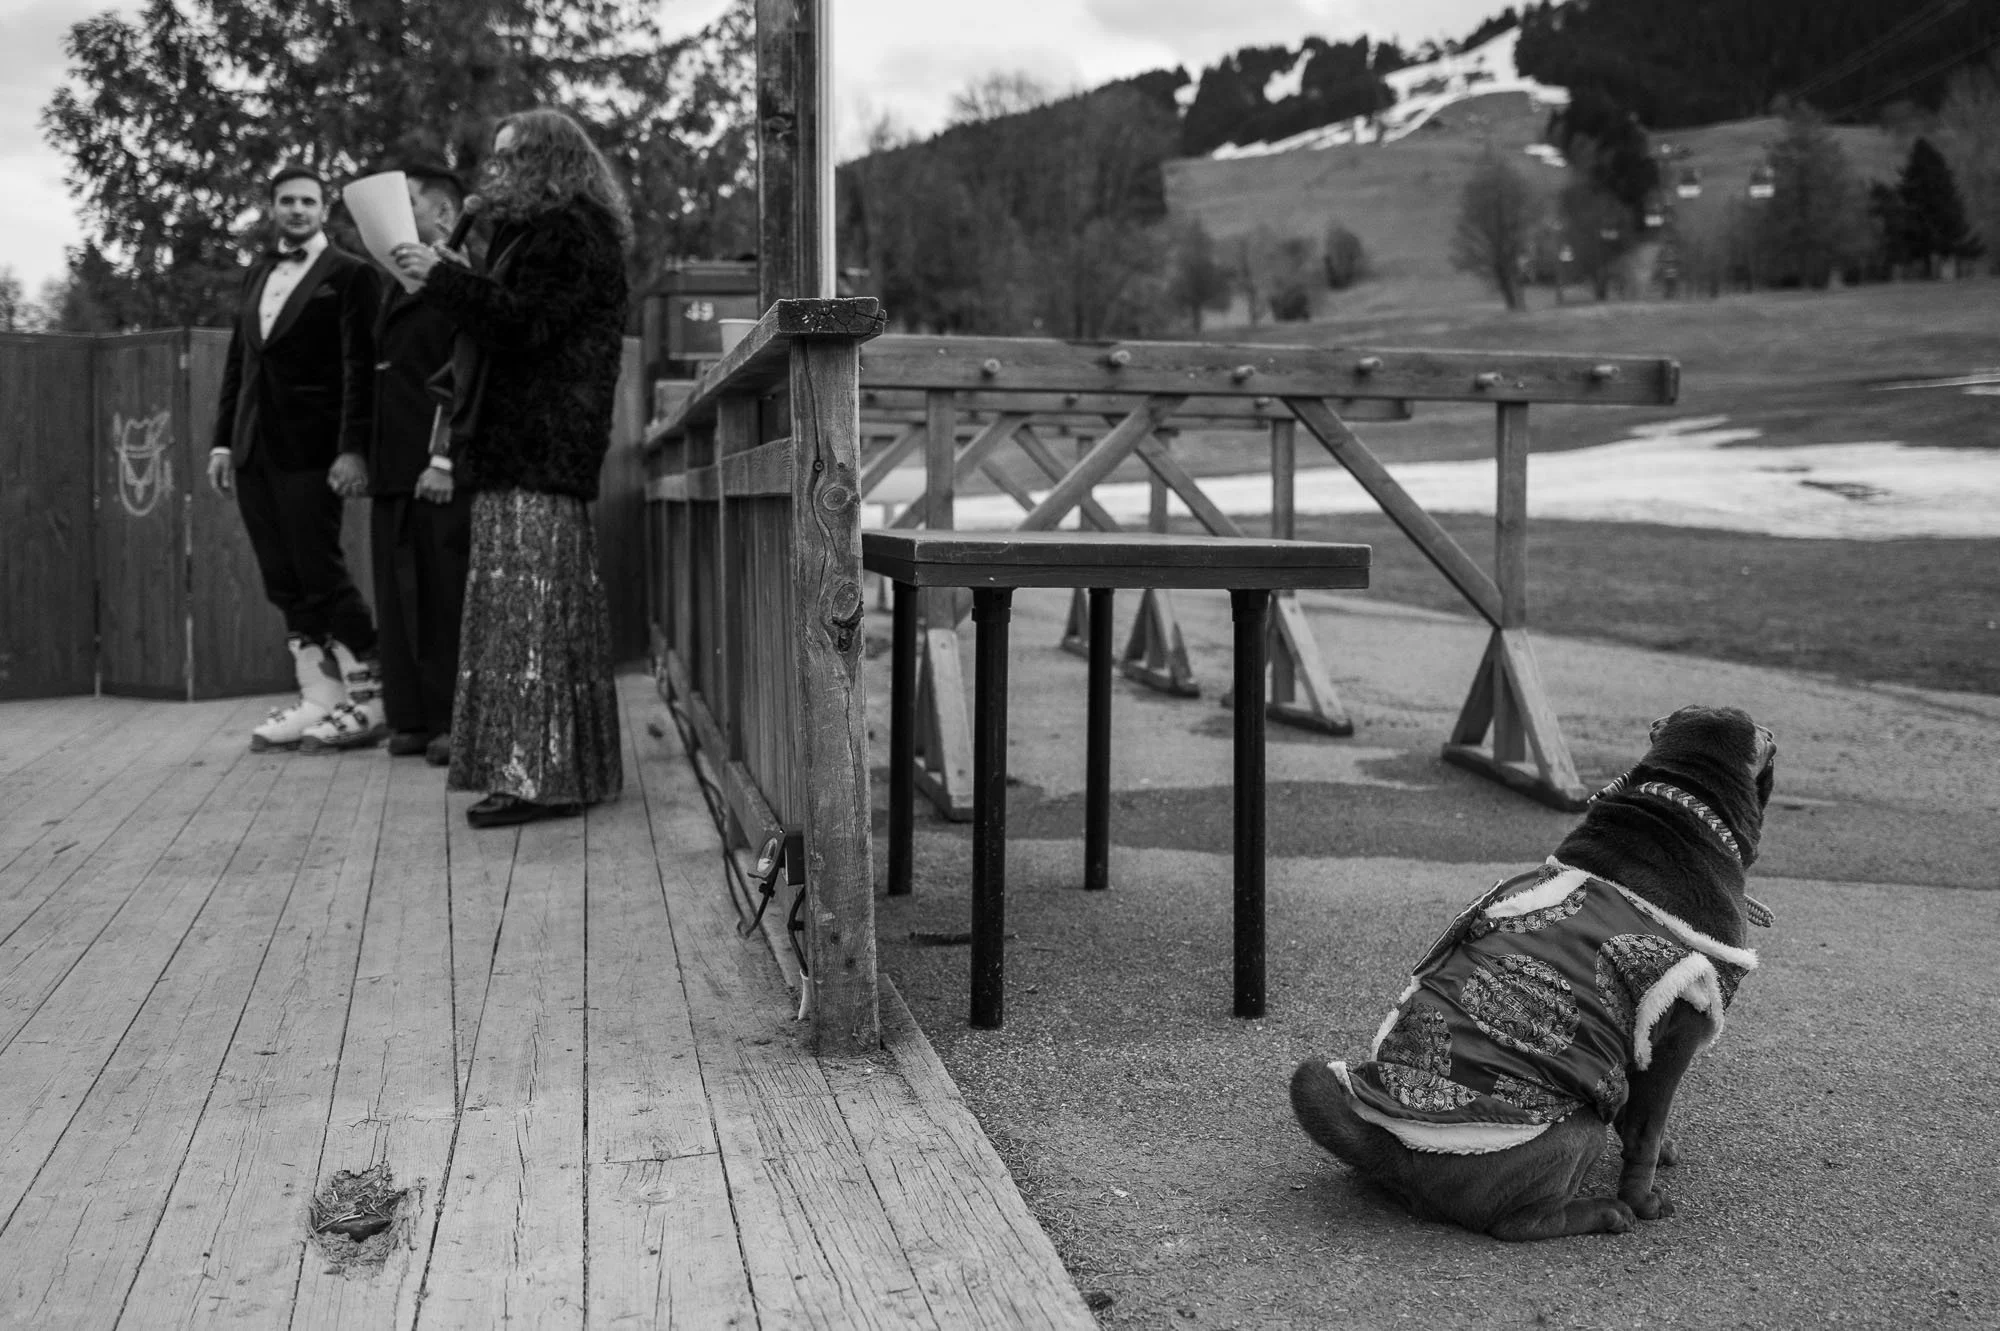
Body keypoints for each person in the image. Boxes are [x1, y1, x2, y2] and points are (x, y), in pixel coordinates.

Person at [391, 109, 627, 828]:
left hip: (537, 446)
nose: (494, 174)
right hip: (534, 448)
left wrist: (446, 281)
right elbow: (516, 315)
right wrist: (460, 276)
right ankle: (567, 771)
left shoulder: (569, 231)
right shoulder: (551, 229)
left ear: (548, 160)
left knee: (525, 620)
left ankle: (535, 778)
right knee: (545, 617)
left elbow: (526, 326)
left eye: (508, 158)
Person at [209, 164, 386, 753]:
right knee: (281, 577)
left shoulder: (351, 276)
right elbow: (241, 362)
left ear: (324, 209)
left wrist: (353, 448)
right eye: (287, 201)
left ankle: (374, 695)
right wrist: (223, 441)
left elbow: (361, 368)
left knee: (320, 571)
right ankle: (320, 697)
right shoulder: (257, 271)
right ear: (273, 207)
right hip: (254, 448)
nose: (297, 210)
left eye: (308, 201)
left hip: (316, 453)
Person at [364, 164, 473, 765]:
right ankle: (408, 715)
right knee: (397, 594)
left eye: (405, 202)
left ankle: (452, 720)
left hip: (437, 466)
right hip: (391, 465)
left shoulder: (456, 279)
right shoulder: (392, 283)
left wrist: (442, 457)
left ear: (443, 216)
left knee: (442, 596)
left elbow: (460, 374)